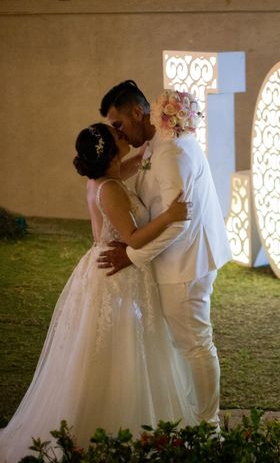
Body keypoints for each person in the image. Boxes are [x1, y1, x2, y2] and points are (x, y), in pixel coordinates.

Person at [0, 123, 198, 462]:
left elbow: (138, 162)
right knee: (118, 349)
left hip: (100, 267)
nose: (124, 137)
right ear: (109, 153)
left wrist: (158, 141)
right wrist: (170, 215)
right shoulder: (111, 189)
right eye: (117, 137)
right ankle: (108, 426)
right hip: (117, 273)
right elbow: (134, 238)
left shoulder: (101, 180)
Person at [98, 81, 231, 428]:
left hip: (185, 263)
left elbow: (179, 222)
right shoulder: (155, 145)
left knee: (196, 345)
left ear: (138, 112)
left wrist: (131, 255)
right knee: (180, 345)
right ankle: (188, 416)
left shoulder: (171, 150)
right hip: (171, 261)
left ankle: (208, 426)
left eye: (119, 125)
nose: (119, 135)